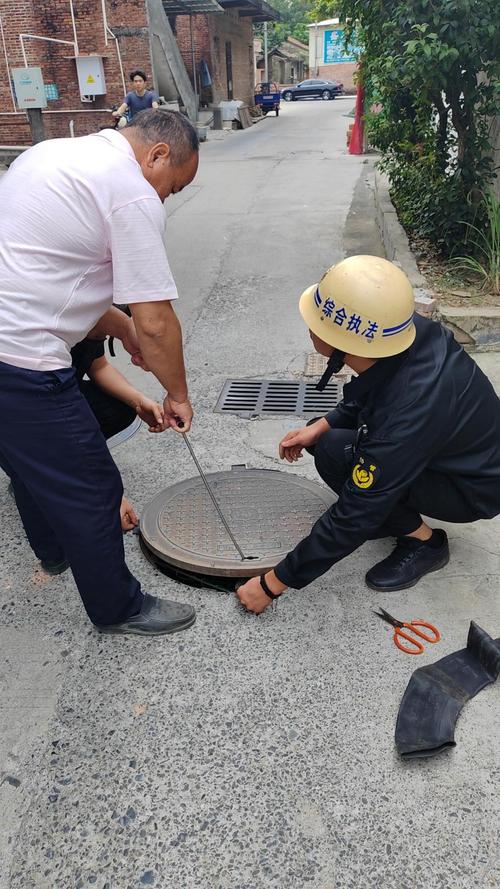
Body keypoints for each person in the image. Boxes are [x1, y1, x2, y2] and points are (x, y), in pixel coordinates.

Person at [0, 108, 199, 635]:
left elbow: (50, 276)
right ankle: (119, 609)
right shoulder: (130, 191)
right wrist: (177, 395)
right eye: (173, 188)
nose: (164, 200)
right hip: (22, 361)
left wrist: (123, 328)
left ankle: (56, 550)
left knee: (32, 462)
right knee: (92, 486)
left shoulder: (51, 154)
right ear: (157, 155)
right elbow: (156, 322)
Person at [236, 254, 500, 614]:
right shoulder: (403, 333)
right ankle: (392, 514)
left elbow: (355, 512)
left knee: (357, 487)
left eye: (317, 323)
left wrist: (272, 583)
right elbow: (375, 389)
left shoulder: (407, 414)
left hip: (471, 489)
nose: (310, 327)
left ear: (346, 343)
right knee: (328, 442)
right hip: (453, 455)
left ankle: (426, 543)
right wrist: (323, 424)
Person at [70, 332, 165, 531]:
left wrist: (139, 401)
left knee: (119, 409)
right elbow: (63, 421)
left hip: (62, 389)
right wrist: (107, 495)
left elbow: (99, 366)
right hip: (25, 406)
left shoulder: (98, 322)